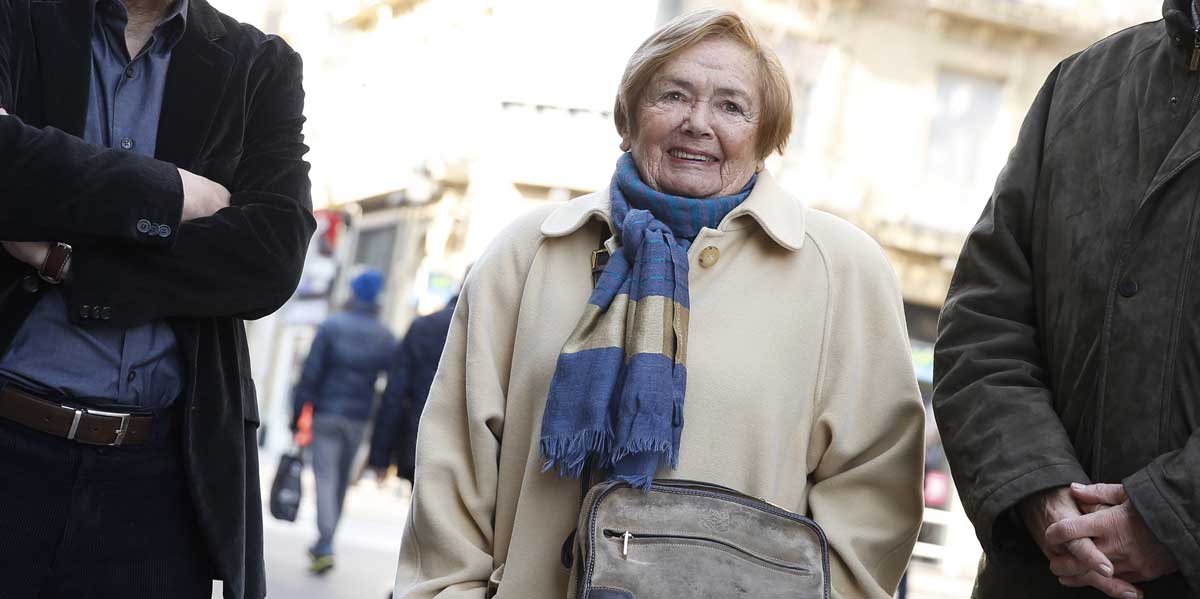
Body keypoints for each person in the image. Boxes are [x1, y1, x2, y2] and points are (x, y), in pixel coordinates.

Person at [393, 9, 925, 599]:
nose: (697, 123)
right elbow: (454, 462)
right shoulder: (529, 253)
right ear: (628, 119)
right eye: (672, 95)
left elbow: (873, 495)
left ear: (766, 135)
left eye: (731, 105)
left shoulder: (841, 273)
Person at [0, 1, 313, 597]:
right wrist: (169, 193)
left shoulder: (260, 66)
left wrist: (65, 259)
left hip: (157, 489)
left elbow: (269, 260)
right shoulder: (18, 15)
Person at [933, 2, 1200, 597]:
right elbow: (982, 326)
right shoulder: (1080, 86)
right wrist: (1038, 491)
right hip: (1039, 576)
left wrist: (1173, 516)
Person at [292, 268, 395, 574]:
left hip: (327, 413)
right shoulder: (385, 336)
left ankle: (324, 542)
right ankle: (326, 541)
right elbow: (392, 382)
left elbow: (310, 373)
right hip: (359, 418)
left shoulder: (331, 326)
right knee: (339, 483)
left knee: (325, 477)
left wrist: (297, 413)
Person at [368, 291, 459, 485]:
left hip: (419, 439)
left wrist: (380, 456)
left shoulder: (424, 327)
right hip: (464, 448)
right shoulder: (491, 332)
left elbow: (395, 392)